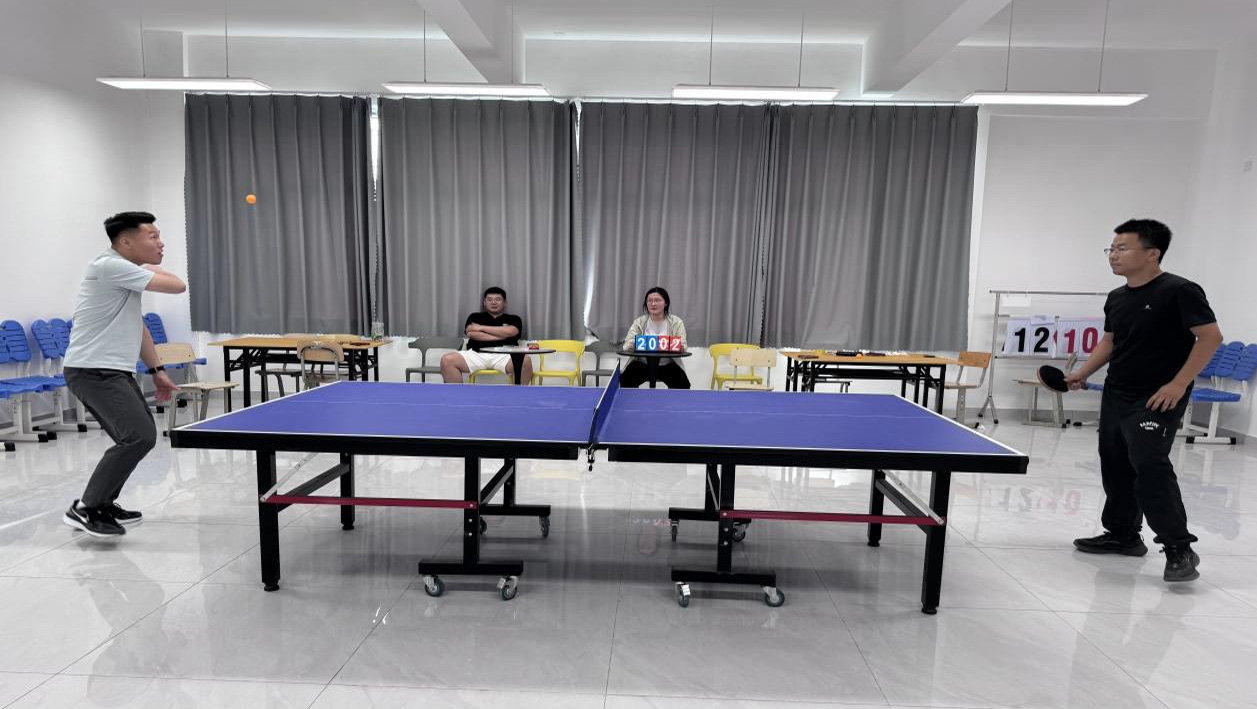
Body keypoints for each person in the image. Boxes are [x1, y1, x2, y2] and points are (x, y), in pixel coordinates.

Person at [1065, 219, 1222, 582]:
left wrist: (1179, 383)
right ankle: (1123, 535)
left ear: (1153, 253)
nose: (1113, 255)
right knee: (1115, 463)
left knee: (1149, 465)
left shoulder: (1180, 291)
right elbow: (1110, 342)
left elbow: (1210, 337)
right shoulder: (1117, 297)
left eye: (1122, 248)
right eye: (1111, 249)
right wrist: (1082, 373)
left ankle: (1179, 547)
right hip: (1117, 392)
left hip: (1157, 397)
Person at [62, 211, 187, 538]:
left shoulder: (122, 273)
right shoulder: (109, 266)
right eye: (153, 237)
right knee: (138, 436)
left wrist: (157, 370)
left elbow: (138, 327)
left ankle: (101, 503)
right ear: (126, 242)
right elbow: (178, 285)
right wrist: (149, 267)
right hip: (92, 369)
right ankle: (87, 508)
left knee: (139, 436)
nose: (161, 243)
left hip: (111, 370)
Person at [440, 287, 531, 384]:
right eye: (489, 299)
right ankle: (457, 394)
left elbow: (512, 331)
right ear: (484, 302)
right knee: (447, 360)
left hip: (505, 355)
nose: (493, 302)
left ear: (505, 303)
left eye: (498, 299)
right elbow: (471, 333)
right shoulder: (475, 317)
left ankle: (518, 393)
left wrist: (480, 328)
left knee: (525, 361)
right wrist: (502, 335)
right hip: (476, 354)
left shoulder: (514, 318)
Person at [621, 287, 691, 389]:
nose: (653, 304)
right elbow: (626, 345)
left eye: (657, 300)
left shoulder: (677, 322)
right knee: (625, 379)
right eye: (649, 301)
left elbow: (683, 346)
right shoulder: (639, 322)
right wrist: (634, 344)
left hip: (667, 365)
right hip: (642, 364)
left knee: (683, 383)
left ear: (666, 303)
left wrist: (676, 345)